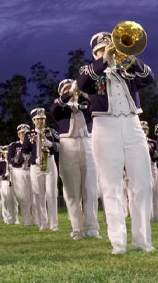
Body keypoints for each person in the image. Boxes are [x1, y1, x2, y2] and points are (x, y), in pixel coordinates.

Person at [75, 32, 155, 254]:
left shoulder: (127, 70)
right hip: (105, 126)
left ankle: (142, 241)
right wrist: (103, 60)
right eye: (102, 49)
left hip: (132, 124)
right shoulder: (89, 71)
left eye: (110, 47)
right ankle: (118, 242)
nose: (108, 51)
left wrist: (130, 57)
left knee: (143, 183)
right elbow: (82, 83)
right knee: (111, 186)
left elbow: (149, 77)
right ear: (95, 53)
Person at [51, 79, 99, 240]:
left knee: (91, 190)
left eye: (72, 87)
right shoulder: (60, 108)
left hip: (88, 144)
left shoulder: (86, 105)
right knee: (72, 193)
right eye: (66, 89)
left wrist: (83, 91)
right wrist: (70, 92)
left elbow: (98, 103)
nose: (72, 91)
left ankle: (92, 229)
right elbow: (55, 109)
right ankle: (77, 229)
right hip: (68, 146)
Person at [22, 108, 59, 232]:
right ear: (33, 120)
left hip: (49, 162)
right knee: (39, 195)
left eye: (42, 119)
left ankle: (53, 224)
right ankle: (43, 223)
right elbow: (24, 152)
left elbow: (61, 146)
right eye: (37, 119)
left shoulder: (51, 132)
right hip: (36, 166)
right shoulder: (28, 135)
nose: (40, 121)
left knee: (51, 194)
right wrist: (34, 159)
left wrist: (51, 144)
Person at [7, 125, 34, 226]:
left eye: (26, 133)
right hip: (19, 171)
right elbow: (9, 158)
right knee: (23, 196)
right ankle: (26, 219)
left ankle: (36, 219)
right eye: (22, 133)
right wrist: (17, 159)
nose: (24, 135)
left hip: (32, 169)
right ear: (18, 134)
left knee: (34, 195)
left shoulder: (33, 143)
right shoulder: (14, 145)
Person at [141, 121, 158, 223]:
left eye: (145, 129)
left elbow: (157, 156)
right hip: (141, 167)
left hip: (152, 166)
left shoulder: (153, 142)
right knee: (144, 192)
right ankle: (147, 216)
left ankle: (157, 217)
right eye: (142, 129)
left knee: (155, 192)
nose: (144, 131)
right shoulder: (135, 143)